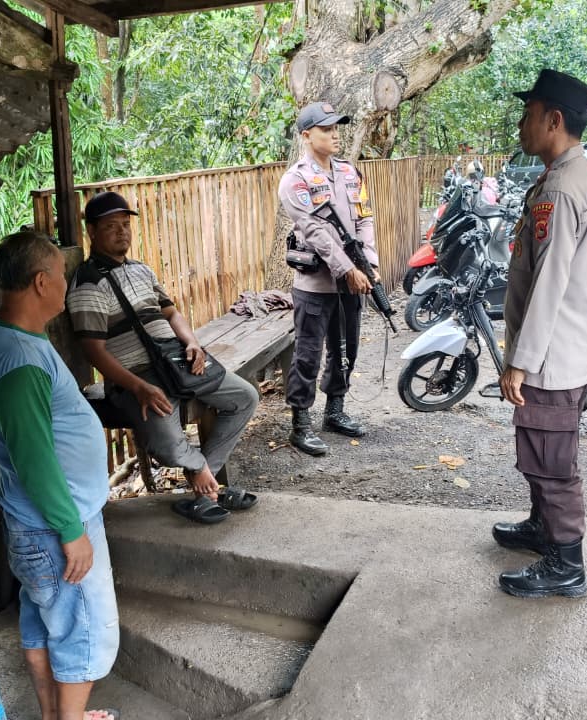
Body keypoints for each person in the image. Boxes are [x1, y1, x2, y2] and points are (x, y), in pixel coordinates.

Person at [0, 231, 119, 720]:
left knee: (44, 626)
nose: (65, 284)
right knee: (82, 633)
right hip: (54, 526)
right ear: (41, 282)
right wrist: (72, 531)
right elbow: (34, 459)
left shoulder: (12, 338)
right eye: (61, 275)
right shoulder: (19, 358)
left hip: (36, 523)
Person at [67, 191, 260, 525]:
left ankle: (205, 487)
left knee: (245, 397)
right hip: (137, 377)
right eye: (111, 226)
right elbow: (93, 351)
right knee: (168, 446)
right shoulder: (88, 284)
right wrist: (138, 387)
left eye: (125, 224)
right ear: (92, 232)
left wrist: (193, 343)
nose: (122, 232)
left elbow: (171, 313)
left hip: (175, 362)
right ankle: (206, 481)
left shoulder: (141, 270)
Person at [494, 69, 587, 599]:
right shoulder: (570, 175)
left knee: (551, 458)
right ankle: (544, 528)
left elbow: (549, 282)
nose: (521, 124)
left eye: (528, 114)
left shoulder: (560, 188)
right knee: (543, 450)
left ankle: (567, 563)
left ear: (553, 120)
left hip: (552, 355)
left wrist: (520, 360)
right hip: (564, 348)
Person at [278, 101, 379, 456]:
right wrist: (348, 270)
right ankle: (300, 424)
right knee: (307, 354)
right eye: (326, 129)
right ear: (306, 135)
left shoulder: (350, 173)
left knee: (346, 349)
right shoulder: (296, 180)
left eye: (336, 128)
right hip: (315, 285)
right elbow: (314, 231)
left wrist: (369, 264)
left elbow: (364, 218)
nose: (335, 134)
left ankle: (334, 411)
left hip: (353, 281)